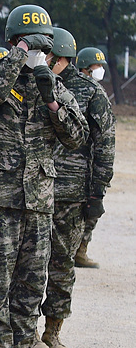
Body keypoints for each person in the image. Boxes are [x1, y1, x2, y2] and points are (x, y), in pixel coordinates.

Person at [0, 5, 86, 348]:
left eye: (44, 46)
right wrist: (19, 55)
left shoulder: (51, 85)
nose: (42, 52)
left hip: (38, 207)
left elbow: (76, 136)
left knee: (27, 296)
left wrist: (51, 95)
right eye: (33, 43)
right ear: (14, 42)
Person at [34, 31, 114, 348]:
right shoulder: (30, 84)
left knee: (62, 264)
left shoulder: (90, 93)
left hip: (70, 194)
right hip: (33, 191)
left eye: (49, 56)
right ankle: (26, 334)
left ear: (63, 57)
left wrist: (97, 193)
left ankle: (52, 332)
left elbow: (104, 144)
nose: (44, 62)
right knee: (27, 266)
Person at [71, 46, 112, 269]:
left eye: (102, 66)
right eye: (97, 66)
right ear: (86, 68)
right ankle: (75, 250)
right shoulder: (79, 92)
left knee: (93, 210)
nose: (100, 70)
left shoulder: (98, 93)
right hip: (78, 163)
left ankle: (81, 249)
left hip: (93, 164)